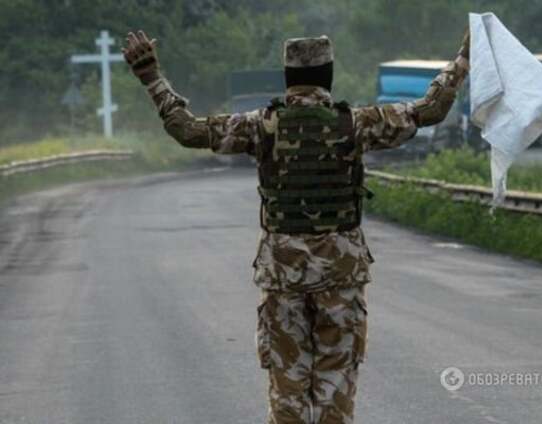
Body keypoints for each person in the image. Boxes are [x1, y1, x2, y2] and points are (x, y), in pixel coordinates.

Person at [123, 30, 469, 424]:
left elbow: (187, 129)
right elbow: (431, 109)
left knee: (287, 395)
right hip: (340, 277)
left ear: (287, 77)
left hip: (282, 276)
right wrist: (462, 59)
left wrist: (151, 75)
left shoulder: (260, 126)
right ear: (330, 75)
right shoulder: (357, 124)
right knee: (335, 389)